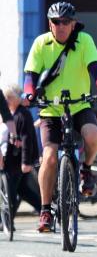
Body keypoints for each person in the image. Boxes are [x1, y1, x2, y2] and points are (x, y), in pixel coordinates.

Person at [23, 1, 97, 232]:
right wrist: (29, 94)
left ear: (73, 24)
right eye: (56, 22)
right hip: (51, 109)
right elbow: (30, 76)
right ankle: (45, 210)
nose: (61, 26)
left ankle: (85, 168)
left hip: (79, 104)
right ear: (50, 24)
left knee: (92, 136)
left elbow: (96, 70)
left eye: (66, 22)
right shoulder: (41, 44)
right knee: (50, 156)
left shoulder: (85, 41)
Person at [2, 84, 41, 218]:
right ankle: (46, 211)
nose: (7, 101)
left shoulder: (22, 114)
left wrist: (25, 162)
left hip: (18, 161)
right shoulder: (15, 113)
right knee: (23, 190)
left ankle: (7, 220)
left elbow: (27, 140)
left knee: (11, 189)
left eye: (9, 98)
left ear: (17, 98)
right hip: (15, 159)